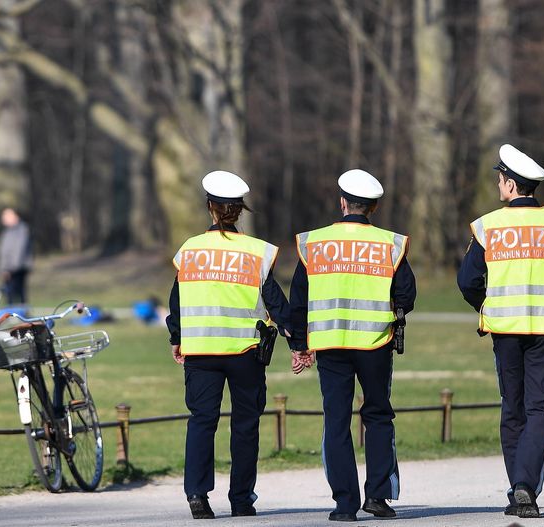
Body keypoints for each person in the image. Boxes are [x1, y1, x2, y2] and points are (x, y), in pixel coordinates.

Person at [457, 144, 544, 519]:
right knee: (541, 409)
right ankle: (524, 487)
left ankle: (518, 488)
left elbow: (468, 281)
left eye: (499, 178)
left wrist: (486, 307)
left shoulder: (489, 225)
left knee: (512, 409)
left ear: (509, 184)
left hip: (505, 331)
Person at [289, 169, 415, 522]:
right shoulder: (390, 243)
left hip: (329, 344)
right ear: (372, 207)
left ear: (342, 202)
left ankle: (345, 504)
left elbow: (299, 299)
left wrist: (300, 344)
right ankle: (378, 497)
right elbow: (407, 295)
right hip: (374, 343)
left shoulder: (312, 243)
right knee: (377, 416)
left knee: (337, 420)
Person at [166, 170, 291, 519]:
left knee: (202, 422)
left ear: (209, 207)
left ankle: (197, 496)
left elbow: (177, 299)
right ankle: (240, 499)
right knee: (245, 426)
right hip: (245, 353)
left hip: (201, 351)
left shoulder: (190, 250)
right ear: (239, 211)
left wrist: (176, 338)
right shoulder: (257, 252)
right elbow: (276, 303)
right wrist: (297, 341)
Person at [0, 208, 32, 306]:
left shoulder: (22, 229)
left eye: (6, 216)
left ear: (15, 216)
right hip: (8, 269)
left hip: (17, 268)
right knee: (9, 295)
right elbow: (3, 252)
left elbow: (19, 250)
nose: (3, 218)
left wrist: (10, 269)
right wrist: (3, 268)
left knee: (19, 294)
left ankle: (23, 316)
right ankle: (10, 315)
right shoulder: (7, 232)